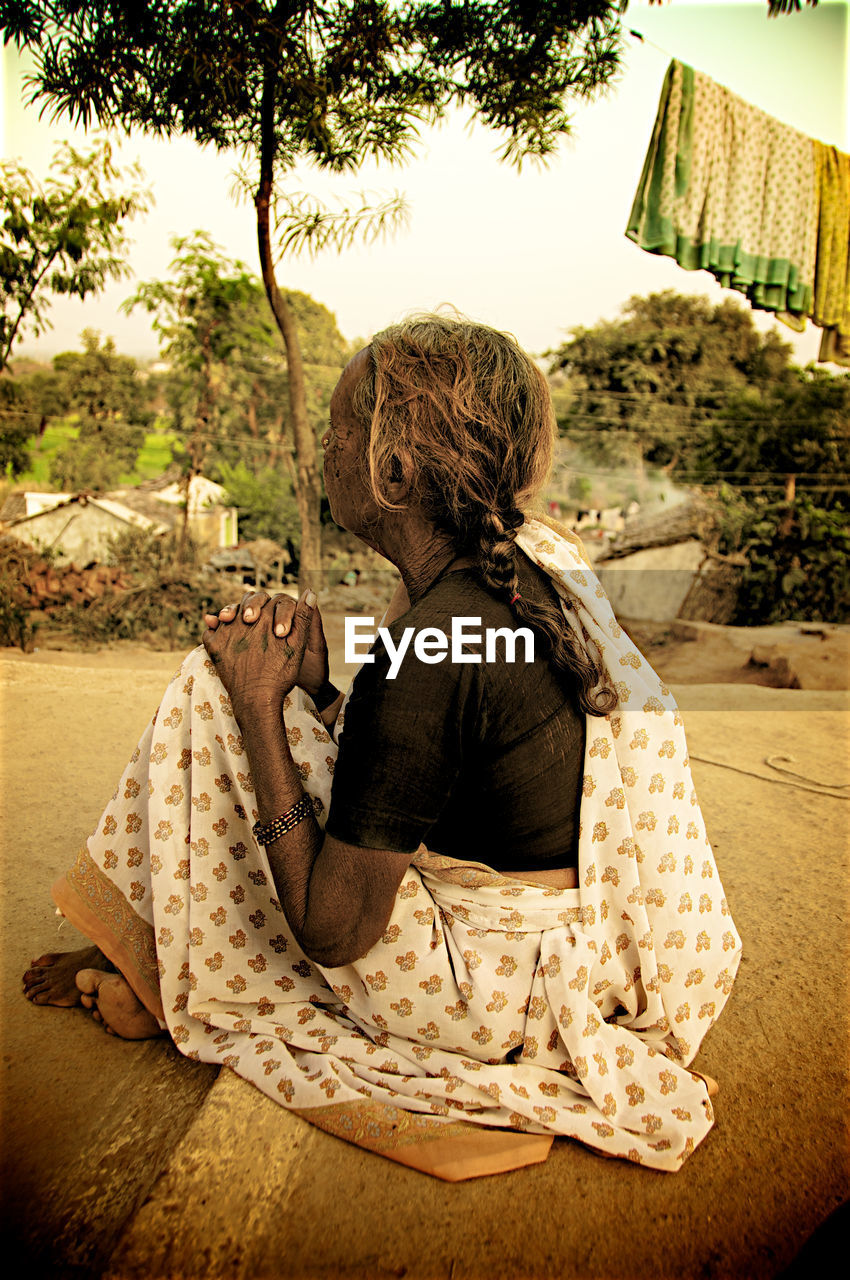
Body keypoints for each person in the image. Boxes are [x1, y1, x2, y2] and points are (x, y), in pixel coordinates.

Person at [22, 315, 741, 1180]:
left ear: (394, 473)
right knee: (272, 708)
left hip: (501, 992)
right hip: (577, 950)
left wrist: (260, 705)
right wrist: (328, 691)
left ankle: (164, 974)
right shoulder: (514, 573)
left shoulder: (428, 648)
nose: (325, 453)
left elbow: (336, 931)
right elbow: (443, 755)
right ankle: (147, 957)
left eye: (337, 435)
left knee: (211, 693)